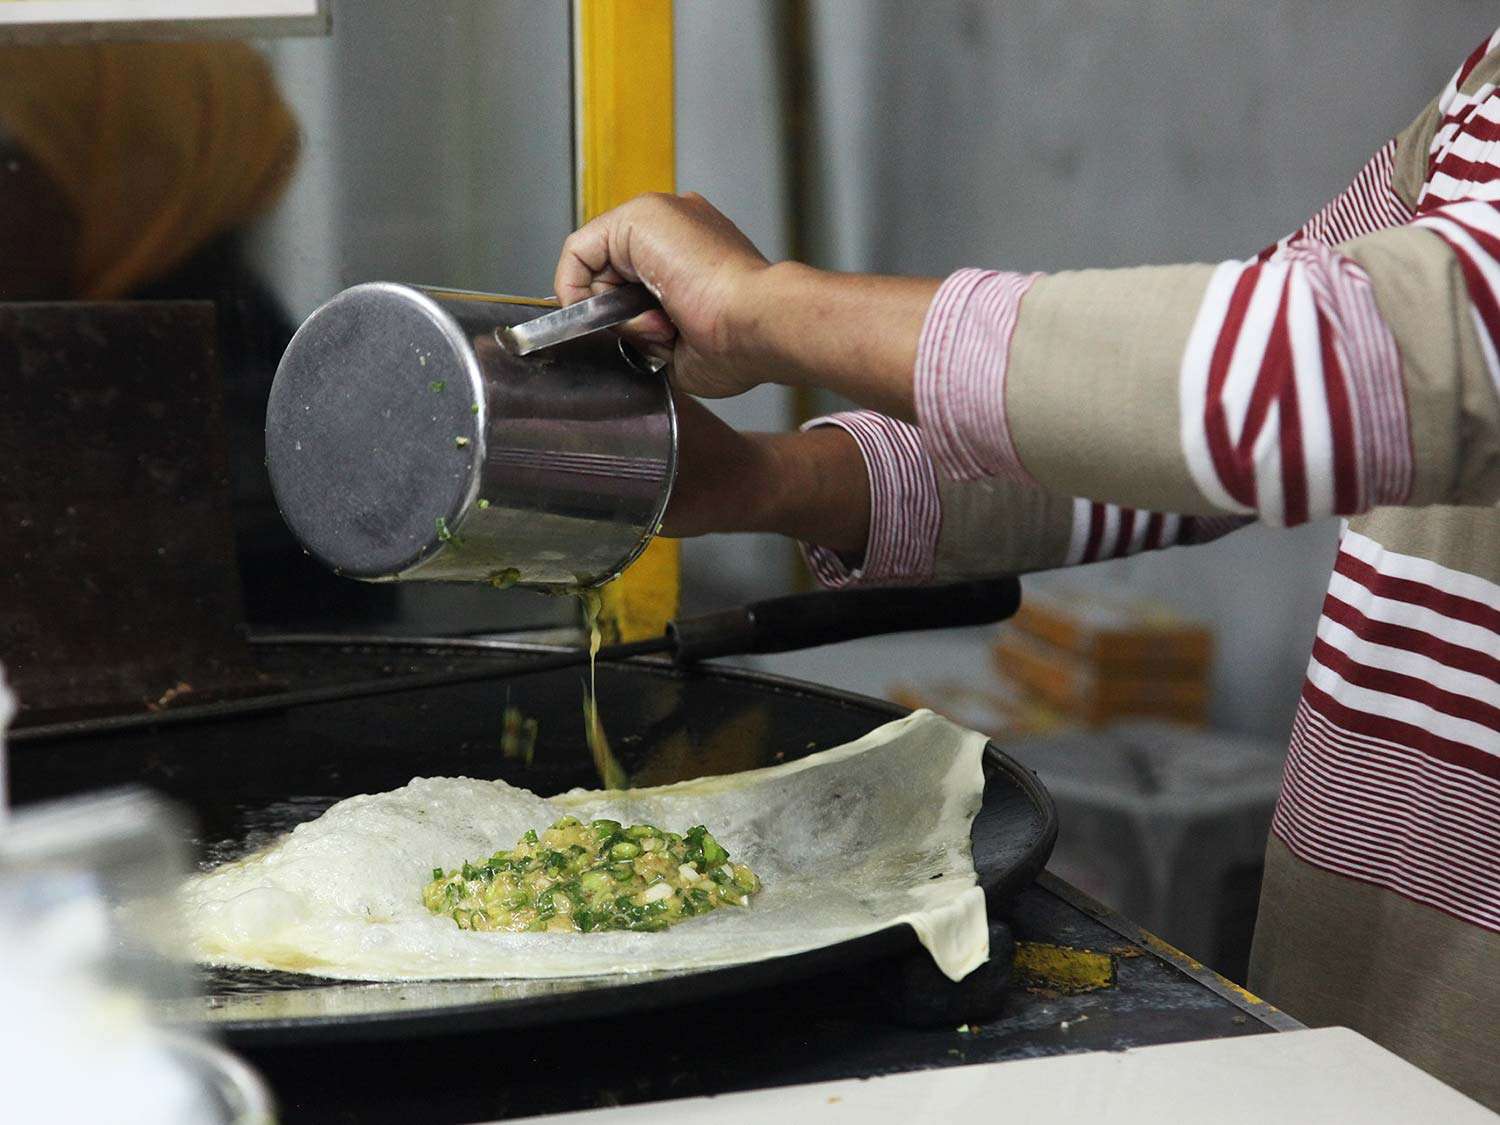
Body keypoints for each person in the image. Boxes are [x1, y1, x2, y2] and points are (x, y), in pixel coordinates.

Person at [552, 27, 1500, 1109]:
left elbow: (1324, 363)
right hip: (1359, 1030)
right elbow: (1169, 434)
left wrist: (766, 308)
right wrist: (770, 481)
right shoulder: (1485, 83)